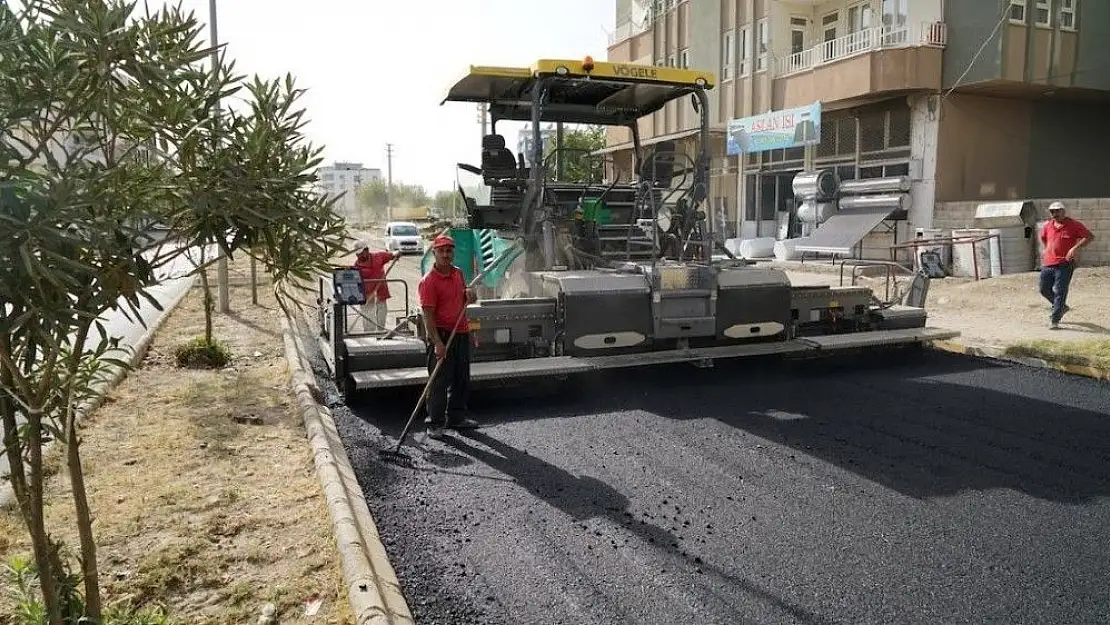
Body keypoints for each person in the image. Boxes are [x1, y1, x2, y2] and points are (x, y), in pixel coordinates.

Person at [417, 234, 479, 439]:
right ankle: (435, 423)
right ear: (434, 252)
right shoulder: (429, 281)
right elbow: (427, 315)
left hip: (460, 332)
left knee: (462, 378)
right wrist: (437, 343)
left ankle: (457, 418)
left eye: (449, 250)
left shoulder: (458, 273)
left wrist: (470, 294)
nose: (446, 254)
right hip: (441, 334)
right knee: (439, 382)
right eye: (441, 250)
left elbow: (465, 299)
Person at [1039, 201, 1093, 329]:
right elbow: (1043, 238)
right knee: (1043, 289)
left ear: (1063, 211)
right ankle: (1061, 307)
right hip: (1048, 263)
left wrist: (1074, 248)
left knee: (1060, 291)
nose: (1055, 214)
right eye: (1052, 211)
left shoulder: (1074, 225)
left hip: (1065, 264)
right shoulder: (1048, 225)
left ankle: (1055, 319)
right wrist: (1046, 249)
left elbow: (1089, 237)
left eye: (1057, 211)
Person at [353, 241, 401, 333]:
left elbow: (391, 255)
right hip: (367, 296)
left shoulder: (378, 257)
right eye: (357, 254)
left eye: (361, 253)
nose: (359, 256)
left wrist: (397, 253)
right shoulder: (356, 267)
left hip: (381, 292)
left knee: (382, 314)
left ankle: (380, 333)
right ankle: (369, 335)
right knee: (368, 317)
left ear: (367, 250)